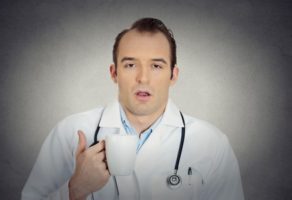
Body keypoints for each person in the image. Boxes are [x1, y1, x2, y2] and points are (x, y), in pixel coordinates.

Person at [22, 18, 245, 200]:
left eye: (156, 66)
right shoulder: (70, 132)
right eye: (130, 65)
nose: (143, 78)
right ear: (114, 73)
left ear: (173, 75)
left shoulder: (212, 143)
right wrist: (75, 190)